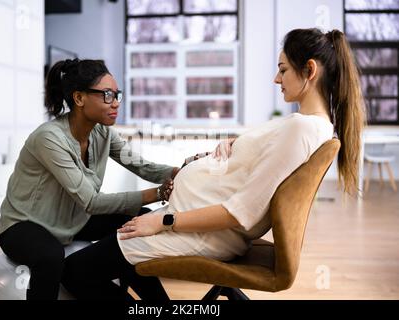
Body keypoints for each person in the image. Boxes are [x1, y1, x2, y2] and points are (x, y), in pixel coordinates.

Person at [61, 28, 365, 300]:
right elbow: (257, 171)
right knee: (122, 238)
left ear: (309, 70)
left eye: (283, 70)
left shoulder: (301, 129)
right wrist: (234, 149)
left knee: (73, 272)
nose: (276, 79)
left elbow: (240, 212)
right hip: (191, 224)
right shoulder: (309, 126)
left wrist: (163, 221)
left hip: (203, 235)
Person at [0, 59, 180, 300]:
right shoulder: (49, 139)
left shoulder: (102, 132)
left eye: (117, 95)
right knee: (51, 257)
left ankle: (158, 305)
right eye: (107, 95)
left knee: (134, 222)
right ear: (79, 98)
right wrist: (158, 193)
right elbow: (91, 202)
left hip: (69, 220)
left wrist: (182, 170)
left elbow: (141, 166)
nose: (115, 103)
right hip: (25, 225)